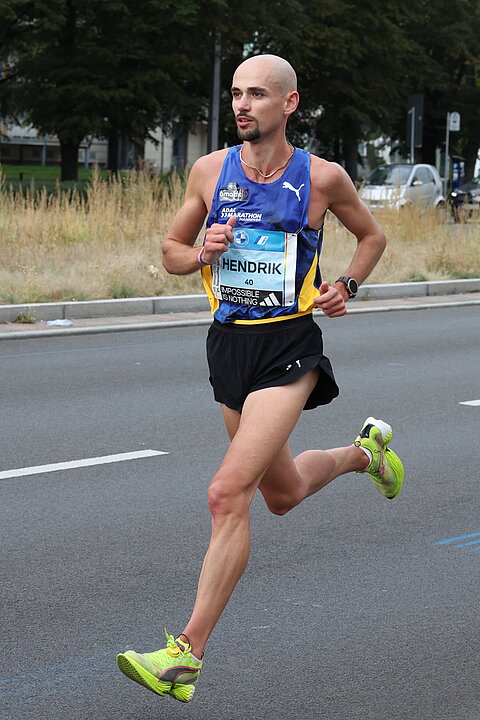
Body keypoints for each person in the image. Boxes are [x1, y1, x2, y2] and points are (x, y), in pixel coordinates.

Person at [116, 54, 404, 703]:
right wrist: (200, 254)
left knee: (226, 493)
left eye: (256, 95)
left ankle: (183, 654)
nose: (242, 105)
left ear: (289, 103)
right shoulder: (209, 171)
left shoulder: (322, 178)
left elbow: (372, 237)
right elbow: (169, 254)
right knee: (283, 492)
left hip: (289, 350)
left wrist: (346, 286)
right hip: (229, 349)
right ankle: (366, 454)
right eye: (237, 95)